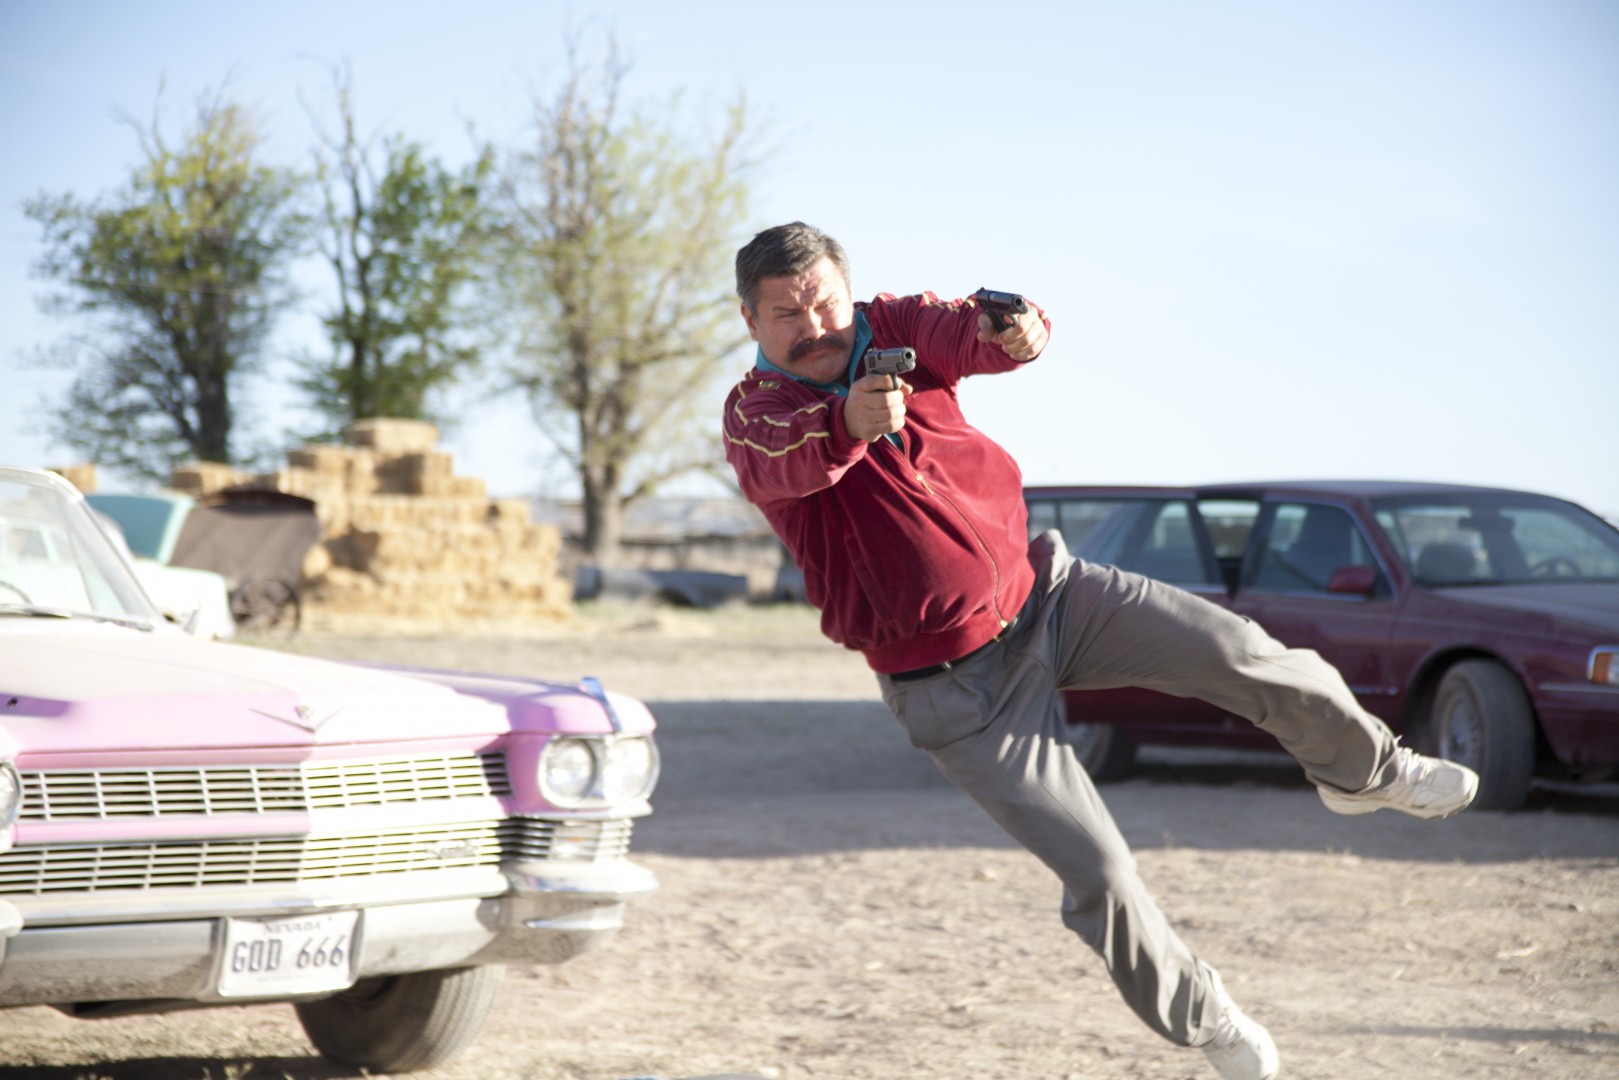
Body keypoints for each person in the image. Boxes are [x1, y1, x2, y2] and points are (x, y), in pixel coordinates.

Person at [721, 221, 1479, 1080]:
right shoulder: (756, 412)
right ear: (751, 321)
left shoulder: (892, 324)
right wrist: (848, 421)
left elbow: (977, 332)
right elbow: (784, 458)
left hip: (1050, 597)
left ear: (846, 290)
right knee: (1103, 875)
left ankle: (1363, 772)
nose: (812, 325)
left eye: (823, 302)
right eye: (785, 314)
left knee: (1241, 650)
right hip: (954, 689)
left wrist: (1016, 330)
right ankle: (1206, 1020)